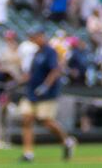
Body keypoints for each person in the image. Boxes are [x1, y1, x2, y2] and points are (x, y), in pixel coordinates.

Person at [17, 33, 76, 161]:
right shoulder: (36, 53)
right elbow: (31, 73)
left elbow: (55, 70)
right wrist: (19, 81)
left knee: (46, 121)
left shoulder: (50, 52)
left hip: (47, 94)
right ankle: (28, 153)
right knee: (26, 119)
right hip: (31, 91)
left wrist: (45, 86)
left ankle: (66, 141)